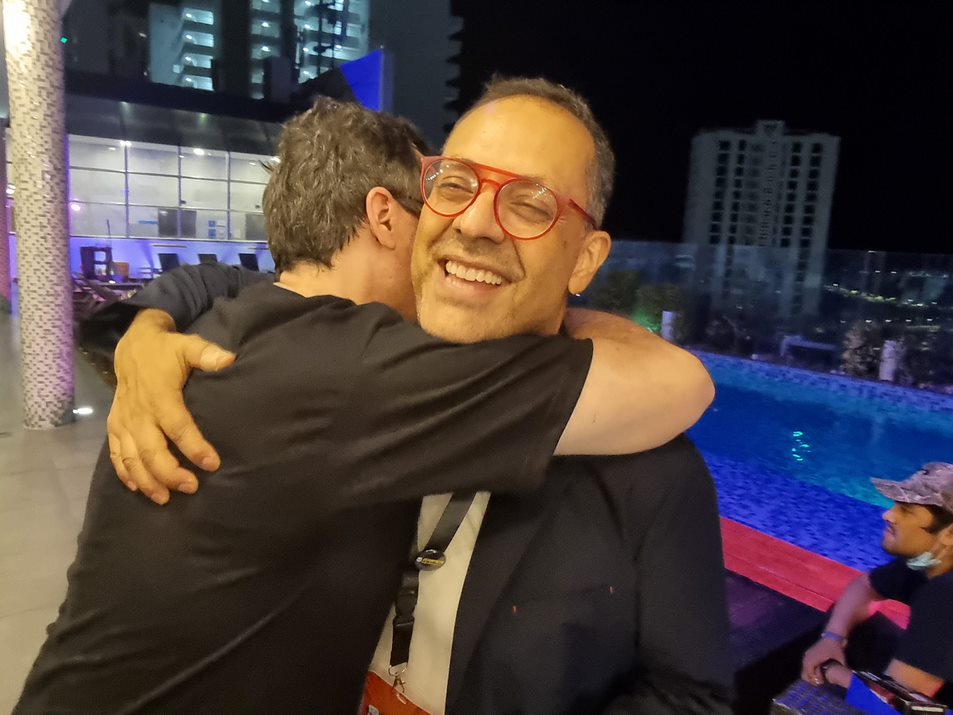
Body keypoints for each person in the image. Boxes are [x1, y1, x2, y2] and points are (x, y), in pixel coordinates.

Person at [15, 96, 716, 713]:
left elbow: (690, 693)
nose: (474, 223)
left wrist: (148, 320)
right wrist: (145, 326)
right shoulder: (355, 371)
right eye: (452, 185)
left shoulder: (645, 467)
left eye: (528, 203)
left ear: (587, 258)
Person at [801, 462, 953, 708]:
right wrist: (833, 638)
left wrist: (830, 670)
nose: (888, 515)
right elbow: (865, 587)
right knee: (853, 624)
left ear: (949, 534)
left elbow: (895, 705)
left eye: (906, 511)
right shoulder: (932, 560)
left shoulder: (945, 593)